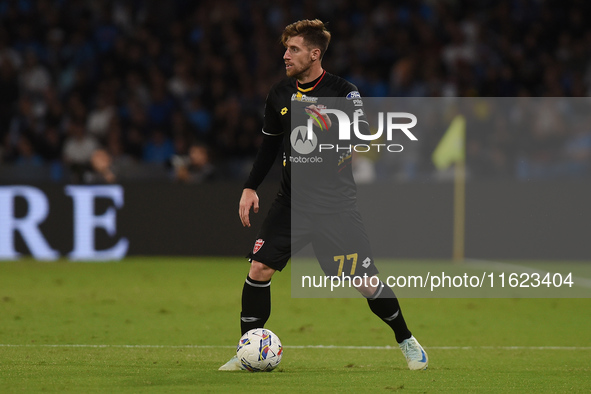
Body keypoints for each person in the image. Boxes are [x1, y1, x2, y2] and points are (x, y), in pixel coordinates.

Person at [219, 19, 428, 371]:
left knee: (366, 282)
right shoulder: (279, 95)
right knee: (259, 268)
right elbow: (269, 147)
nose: (286, 55)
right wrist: (249, 186)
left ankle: (405, 339)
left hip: (335, 209)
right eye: (286, 49)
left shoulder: (343, 92)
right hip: (291, 204)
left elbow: (359, 134)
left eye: (294, 49)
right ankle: (246, 353)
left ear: (315, 54)